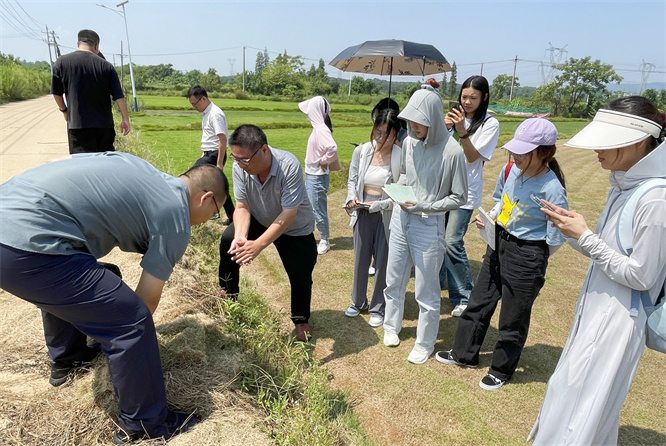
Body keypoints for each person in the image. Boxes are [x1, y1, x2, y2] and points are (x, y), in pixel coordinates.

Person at [0, 152, 228, 443]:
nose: (207, 221)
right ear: (205, 198)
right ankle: (144, 426)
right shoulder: (176, 217)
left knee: (99, 275)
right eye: (215, 213)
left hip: (10, 210)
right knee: (131, 321)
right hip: (24, 246)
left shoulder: (136, 165)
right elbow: (145, 303)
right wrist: (127, 336)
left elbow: (58, 162)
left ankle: (69, 359)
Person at [528, 97, 666, 445]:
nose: (597, 150)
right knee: (574, 397)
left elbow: (642, 276)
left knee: (585, 407)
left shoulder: (655, 199)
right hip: (599, 310)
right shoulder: (624, 185)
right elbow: (609, 251)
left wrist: (586, 237)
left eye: (608, 141)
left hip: (619, 320)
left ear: (639, 141)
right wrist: (573, 231)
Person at [435, 118, 568, 390]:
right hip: (498, 242)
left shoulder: (552, 188)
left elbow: (555, 237)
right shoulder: (511, 171)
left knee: (512, 316)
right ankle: (463, 353)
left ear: (544, 152)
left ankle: (501, 369)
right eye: (515, 149)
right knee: (479, 301)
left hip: (528, 253)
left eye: (523, 151)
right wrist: (491, 219)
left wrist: (532, 260)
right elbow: (501, 202)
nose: (516, 156)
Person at [382, 88, 468, 364]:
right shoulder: (409, 143)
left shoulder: (453, 152)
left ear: (432, 117)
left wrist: (424, 206)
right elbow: (406, 175)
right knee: (394, 278)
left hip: (428, 225)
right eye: (410, 121)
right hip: (401, 217)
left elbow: (459, 197)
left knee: (426, 289)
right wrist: (398, 190)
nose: (413, 127)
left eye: (418, 122)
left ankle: (425, 342)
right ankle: (390, 325)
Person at [218, 124, 318, 342]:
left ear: (263, 150)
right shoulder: (240, 167)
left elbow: (289, 213)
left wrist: (258, 245)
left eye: (245, 159)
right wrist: (241, 236)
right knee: (228, 240)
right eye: (236, 158)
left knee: (300, 274)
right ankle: (228, 295)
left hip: (293, 227)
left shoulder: (288, 165)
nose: (240, 164)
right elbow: (242, 206)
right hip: (260, 216)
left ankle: (301, 319)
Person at [440, 75, 500, 317]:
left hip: (465, 191)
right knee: (438, 239)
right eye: (464, 96)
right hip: (442, 187)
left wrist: (461, 131)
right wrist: (444, 127)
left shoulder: (489, 124)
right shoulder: (453, 118)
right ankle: (440, 281)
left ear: (484, 97)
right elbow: (436, 148)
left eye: (473, 97)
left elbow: (473, 157)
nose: (466, 102)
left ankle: (464, 296)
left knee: (452, 240)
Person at [344, 109, 403, 327]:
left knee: (382, 261)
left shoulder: (400, 156)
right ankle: (358, 301)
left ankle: (379, 306)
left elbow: (400, 190)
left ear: (396, 134)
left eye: (386, 133)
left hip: (386, 213)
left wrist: (380, 205)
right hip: (362, 209)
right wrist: (352, 198)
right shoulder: (362, 151)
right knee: (361, 258)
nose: (380, 137)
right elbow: (352, 179)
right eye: (377, 131)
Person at [51, 29, 130, 154]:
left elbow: (56, 93)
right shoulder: (106, 66)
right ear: (96, 46)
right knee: (104, 161)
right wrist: (125, 119)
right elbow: (119, 96)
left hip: (77, 125)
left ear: (78, 44)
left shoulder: (61, 62)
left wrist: (64, 111)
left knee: (81, 162)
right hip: (104, 126)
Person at [187, 85, 235, 222]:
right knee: (217, 185)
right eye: (192, 104)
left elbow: (222, 139)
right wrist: (203, 154)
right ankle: (232, 217)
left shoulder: (215, 113)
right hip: (208, 154)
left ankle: (193, 213)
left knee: (191, 178)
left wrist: (219, 163)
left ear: (203, 99)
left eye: (195, 103)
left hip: (215, 154)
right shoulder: (206, 113)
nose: (194, 107)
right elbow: (209, 137)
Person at [299, 96, 338, 255]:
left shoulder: (321, 129)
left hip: (317, 176)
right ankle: (317, 236)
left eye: (309, 111)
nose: (307, 115)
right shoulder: (318, 128)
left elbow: (332, 148)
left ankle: (324, 239)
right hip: (313, 174)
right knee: (312, 207)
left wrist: (324, 160)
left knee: (317, 209)